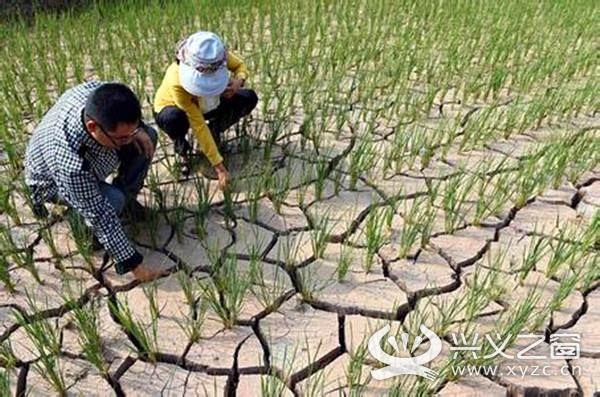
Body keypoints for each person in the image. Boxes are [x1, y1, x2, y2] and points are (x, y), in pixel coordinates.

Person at [24, 81, 163, 281]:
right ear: (92, 127)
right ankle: (82, 227)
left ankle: (127, 198)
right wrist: (137, 268)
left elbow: (126, 119)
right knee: (112, 201)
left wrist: (137, 131)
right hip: (51, 182)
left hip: (90, 155)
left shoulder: (99, 94)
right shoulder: (70, 161)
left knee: (147, 135)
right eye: (122, 137)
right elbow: (100, 215)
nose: (128, 139)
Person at [153, 31, 258, 189]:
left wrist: (238, 82)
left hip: (207, 103)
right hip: (174, 109)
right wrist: (220, 168)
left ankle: (215, 131)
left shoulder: (215, 56)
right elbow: (198, 124)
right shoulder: (176, 79)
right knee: (174, 118)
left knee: (248, 97)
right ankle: (182, 149)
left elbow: (240, 66)